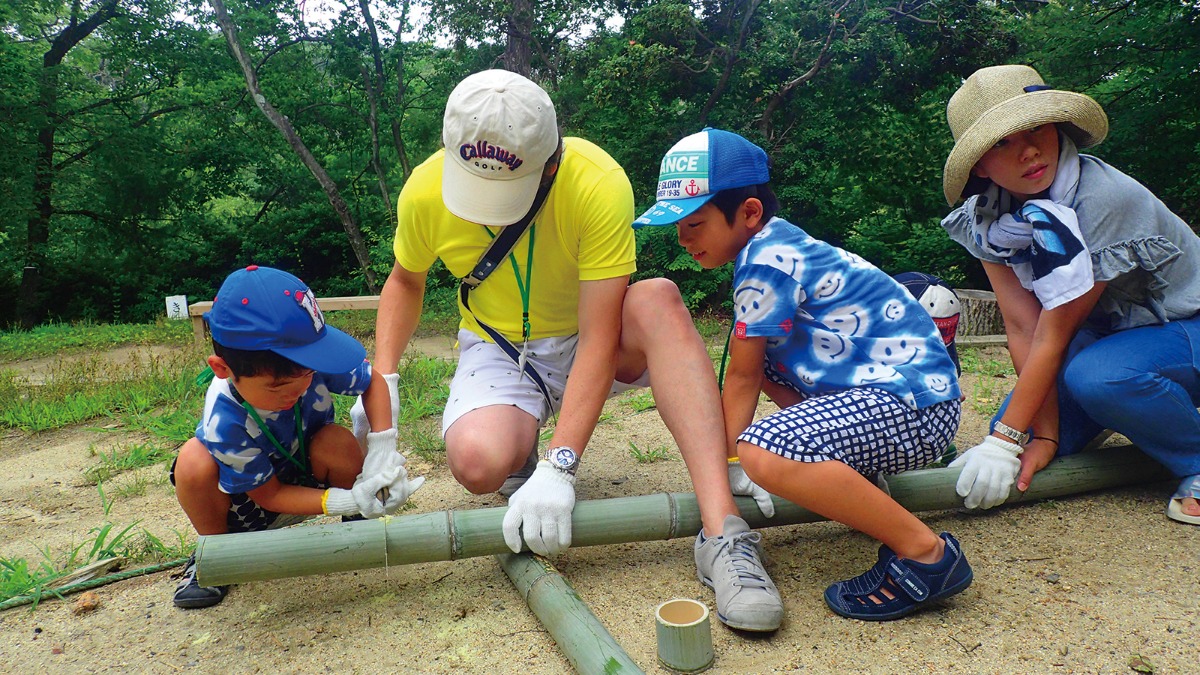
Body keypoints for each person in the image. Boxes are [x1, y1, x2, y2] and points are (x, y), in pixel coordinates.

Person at [367, 69, 785, 631]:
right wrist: (383, 384)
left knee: (658, 298)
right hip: (498, 344)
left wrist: (562, 466)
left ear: (551, 159)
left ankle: (722, 531)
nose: (489, 211)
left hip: (593, 339)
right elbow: (405, 280)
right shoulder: (425, 188)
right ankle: (520, 453)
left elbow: (599, 332)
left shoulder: (596, 181)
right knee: (476, 463)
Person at [634, 128, 971, 621]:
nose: (684, 241)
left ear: (748, 213)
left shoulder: (765, 264)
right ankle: (849, 475)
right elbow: (762, 370)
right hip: (904, 401)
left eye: (696, 225)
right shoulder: (774, 245)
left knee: (763, 448)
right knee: (772, 359)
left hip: (910, 405)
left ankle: (927, 556)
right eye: (678, 229)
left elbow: (742, 380)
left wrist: (731, 460)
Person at [939, 64, 1200, 526]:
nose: (1030, 150)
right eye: (1002, 141)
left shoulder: (1102, 197)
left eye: (1036, 127)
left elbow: (1053, 333)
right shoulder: (986, 221)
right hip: (1106, 337)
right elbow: (1022, 326)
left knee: (1098, 378)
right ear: (979, 163)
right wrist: (1038, 437)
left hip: (1184, 323)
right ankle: (1127, 416)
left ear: (1058, 125)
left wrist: (1004, 437)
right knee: (1033, 432)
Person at [171, 265, 424, 609]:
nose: (297, 391)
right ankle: (215, 555)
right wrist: (345, 500)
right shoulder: (224, 417)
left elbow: (373, 381)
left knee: (336, 441)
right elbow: (270, 496)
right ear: (223, 369)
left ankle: (361, 521)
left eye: (305, 377)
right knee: (192, 462)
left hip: (307, 471)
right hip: (251, 499)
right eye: (277, 387)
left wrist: (382, 448)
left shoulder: (308, 360)